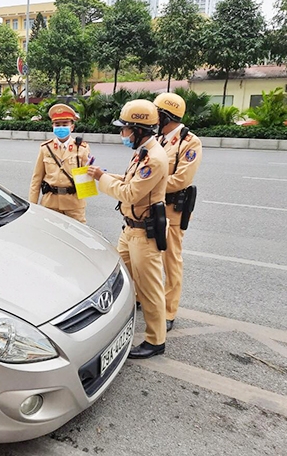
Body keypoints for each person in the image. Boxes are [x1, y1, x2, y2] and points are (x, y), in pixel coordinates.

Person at [87, 100, 168, 359]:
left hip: (144, 233)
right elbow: (131, 180)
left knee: (149, 289)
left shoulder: (154, 158)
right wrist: (105, 173)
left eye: (125, 129)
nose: (122, 134)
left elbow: (131, 193)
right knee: (118, 277)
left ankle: (156, 340)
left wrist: (101, 178)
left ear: (139, 130)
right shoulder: (143, 152)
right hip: (130, 230)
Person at [153, 92, 202, 332]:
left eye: (156, 113)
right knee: (148, 257)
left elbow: (182, 179)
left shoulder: (189, 142)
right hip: (154, 206)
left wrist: (149, 184)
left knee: (171, 261)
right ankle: (146, 298)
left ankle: (169, 310)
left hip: (173, 210)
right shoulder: (160, 140)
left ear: (166, 116)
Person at [29, 104, 91, 223]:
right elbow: (36, 179)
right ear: (52, 126)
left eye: (64, 124)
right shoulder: (45, 148)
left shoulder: (82, 148)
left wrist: (91, 172)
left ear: (72, 127)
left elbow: (86, 179)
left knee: (77, 237)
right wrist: (33, 205)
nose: (60, 127)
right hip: (50, 203)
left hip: (74, 204)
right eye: (57, 125)